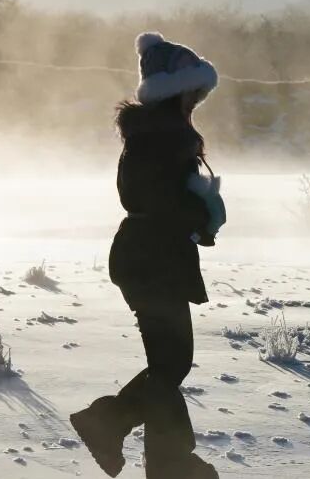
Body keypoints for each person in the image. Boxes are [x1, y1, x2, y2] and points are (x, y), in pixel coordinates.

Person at [71, 32, 224, 478]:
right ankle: (125, 432)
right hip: (151, 257)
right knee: (171, 363)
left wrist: (197, 218)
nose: (198, 100)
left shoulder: (155, 134)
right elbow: (154, 199)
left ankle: (167, 460)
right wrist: (200, 211)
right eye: (195, 91)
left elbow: (151, 198)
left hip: (149, 254)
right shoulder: (164, 137)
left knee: (167, 364)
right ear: (176, 91)